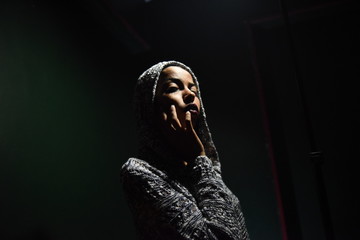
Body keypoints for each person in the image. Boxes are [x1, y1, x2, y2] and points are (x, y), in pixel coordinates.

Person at [121, 61, 250, 240]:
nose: (190, 94)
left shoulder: (202, 170)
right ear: (149, 107)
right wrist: (199, 157)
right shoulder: (138, 173)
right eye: (173, 88)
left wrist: (200, 162)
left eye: (194, 91)